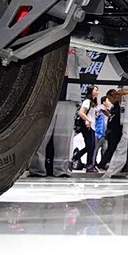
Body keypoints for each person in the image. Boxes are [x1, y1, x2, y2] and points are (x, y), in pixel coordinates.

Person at [29, 46, 91, 178]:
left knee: (63, 138)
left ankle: (61, 170)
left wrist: (79, 47)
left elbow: (86, 63)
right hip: (46, 96)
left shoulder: (76, 45)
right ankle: (37, 169)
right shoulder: (51, 40)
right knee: (41, 136)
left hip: (69, 98)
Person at [76, 86, 100, 173]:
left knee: (91, 146)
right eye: (95, 90)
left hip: (92, 126)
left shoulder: (93, 102)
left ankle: (89, 164)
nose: (97, 92)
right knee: (90, 146)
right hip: (87, 126)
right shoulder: (87, 101)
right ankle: (76, 159)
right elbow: (81, 112)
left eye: (97, 90)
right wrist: (88, 120)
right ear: (91, 91)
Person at [99, 89, 123, 169]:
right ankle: (104, 164)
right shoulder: (114, 107)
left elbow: (116, 119)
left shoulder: (119, 107)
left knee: (113, 149)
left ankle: (105, 164)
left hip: (117, 131)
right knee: (110, 149)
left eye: (110, 98)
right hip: (112, 131)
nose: (109, 101)